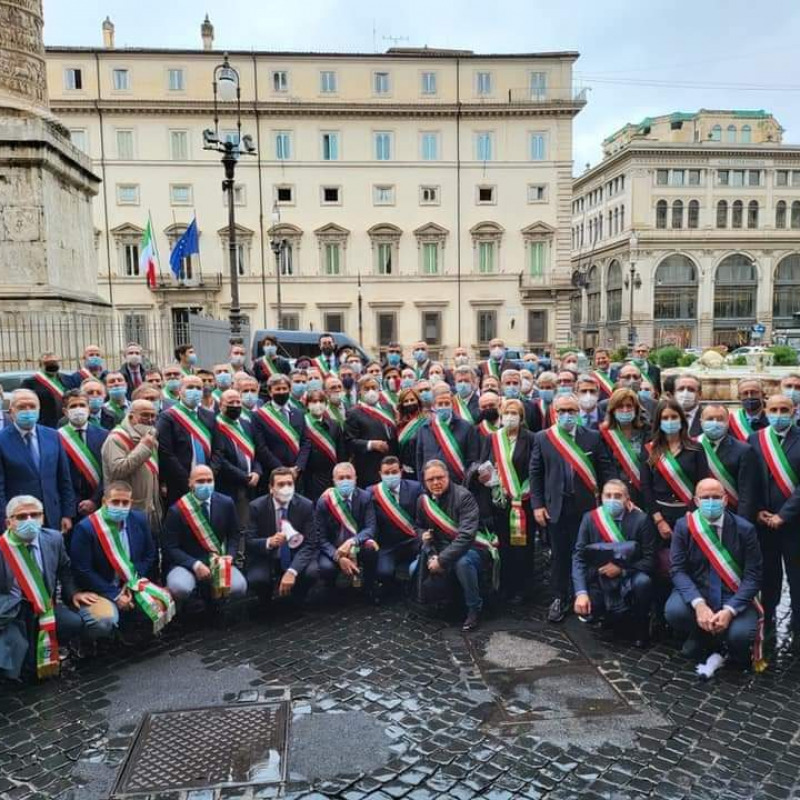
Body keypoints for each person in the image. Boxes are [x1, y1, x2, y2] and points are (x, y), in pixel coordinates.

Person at [0, 495, 115, 681]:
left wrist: (73, 593)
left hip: (46, 608)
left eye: (35, 515)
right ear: (8, 522)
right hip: (15, 614)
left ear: (43, 518)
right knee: (18, 664)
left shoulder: (53, 539)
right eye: (21, 517)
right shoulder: (2, 548)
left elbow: (65, 570)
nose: (29, 521)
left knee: (73, 622)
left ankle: (62, 647)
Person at [530, 392, 614, 623]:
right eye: (562, 411)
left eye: (572, 411)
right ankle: (559, 597)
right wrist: (537, 505)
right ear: (554, 413)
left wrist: (609, 500)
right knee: (559, 554)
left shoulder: (593, 437)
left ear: (579, 413)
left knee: (587, 552)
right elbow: (535, 473)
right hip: (556, 506)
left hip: (586, 507)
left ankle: (587, 597)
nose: (567, 415)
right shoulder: (543, 438)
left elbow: (605, 471)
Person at [667, 478, 763, 669]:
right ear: (696, 501)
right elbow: (677, 570)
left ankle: (728, 646)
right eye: (705, 497)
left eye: (716, 497)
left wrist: (730, 610)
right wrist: (699, 604)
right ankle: (700, 635)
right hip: (699, 591)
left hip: (732, 594)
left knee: (740, 635)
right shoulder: (684, 526)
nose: (711, 502)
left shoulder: (745, 529)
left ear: (725, 500)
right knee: (674, 611)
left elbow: (753, 576)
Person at [71, 481, 174, 635]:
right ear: (104, 502)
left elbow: (150, 554)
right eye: (115, 502)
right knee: (106, 621)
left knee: (161, 601)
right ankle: (93, 644)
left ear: (131, 503)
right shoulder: (86, 528)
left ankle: (134, 633)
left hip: (133, 581)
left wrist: (134, 582)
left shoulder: (139, 519)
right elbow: (83, 570)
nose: (120, 506)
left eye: (125, 502)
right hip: (102, 589)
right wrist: (115, 594)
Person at [573, 480, 656, 647]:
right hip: (599, 576)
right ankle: (608, 617)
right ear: (601, 498)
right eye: (608, 495)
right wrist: (580, 593)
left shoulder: (641, 520)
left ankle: (641, 625)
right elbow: (578, 557)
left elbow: (650, 559)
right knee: (593, 605)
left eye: (618, 496)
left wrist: (621, 570)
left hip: (629, 575)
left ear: (627, 499)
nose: (612, 500)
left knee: (643, 582)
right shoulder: (590, 519)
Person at [414, 459, 489, 632]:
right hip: (438, 548)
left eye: (439, 477)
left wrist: (441, 560)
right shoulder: (422, 500)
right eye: (430, 480)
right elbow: (417, 526)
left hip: (470, 549)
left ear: (448, 476)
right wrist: (422, 535)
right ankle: (439, 602)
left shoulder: (464, 497)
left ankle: (474, 608)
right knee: (414, 569)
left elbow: (466, 536)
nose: (435, 482)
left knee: (462, 563)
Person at [641, 398, 708, 586]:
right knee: (660, 565)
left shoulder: (695, 448)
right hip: (659, 515)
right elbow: (646, 488)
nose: (670, 421)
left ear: (681, 419)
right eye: (665, 417)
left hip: (688, 513)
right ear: (658, 422)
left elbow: (701, 483)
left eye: (673, 416)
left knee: (690, 561)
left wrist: (690, 513)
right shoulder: (649, 449)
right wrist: (659, 520)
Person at [749, 394, 800, 634]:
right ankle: (767, 615)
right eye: (774, 410)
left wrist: (784, 515)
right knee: (769, 573)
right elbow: (749, 481)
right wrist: (758, 510)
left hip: (795, 523)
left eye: (784, 410)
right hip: (764, 523)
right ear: (766, 411)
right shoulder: (755, 439)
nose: (779, 414)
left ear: (793, 411)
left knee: (797, 574)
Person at [476, 398, 535, 604]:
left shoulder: (531, 438)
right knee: (505, 545)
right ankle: (505, 585)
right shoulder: (492, 438)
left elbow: (535, 470)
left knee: (523, 547)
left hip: (523, 502)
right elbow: (483, 464)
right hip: (499, 502)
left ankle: (523, 587)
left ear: (521, 418)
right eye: (507, 413)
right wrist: (486, 475)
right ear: (501, 416)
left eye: (514, 413)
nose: (510, 417)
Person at [163, 465, 246, 608]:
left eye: (209, 480)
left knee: (239, 586)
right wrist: (194, 564)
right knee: (179, 587)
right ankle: (191, 607)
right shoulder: (177, 510)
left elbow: (234, 534)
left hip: (218, 561)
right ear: (190, 483)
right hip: (187, 564)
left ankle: (218, 604)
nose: (206, 485)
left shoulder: (226, 503)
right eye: (200, 481)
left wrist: (230, 556)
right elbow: (170, 547)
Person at [0, 389, 74, 534]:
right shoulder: (2, 441)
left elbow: (64, 478)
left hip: (52, 515)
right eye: (22, 407)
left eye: (32, 406)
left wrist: (67, 513)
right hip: (19, 518)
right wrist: (5, 519)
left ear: (39, 409)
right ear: (11, 411)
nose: (28, 411)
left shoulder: (53, 436)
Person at [245, 467, 317, 606]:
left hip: (296, 555)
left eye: (290, 484)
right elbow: (249, 541)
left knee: (312, 572)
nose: (286, 488)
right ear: (271, 488)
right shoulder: (256, 506)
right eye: (281, 484)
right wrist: (268, 542)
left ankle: (299, 596)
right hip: (267, 557)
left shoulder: (306, 505)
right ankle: (265, 600)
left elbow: (310, 543)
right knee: (256, 579)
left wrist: (292, 571)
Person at [315, 462, 378, 593]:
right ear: (334, 481)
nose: (345, 481)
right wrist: (339, 557)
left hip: (358, 544)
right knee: (326, 568)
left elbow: (370, 528)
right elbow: (321, 539)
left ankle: (369, 586)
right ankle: (331, 589)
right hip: (334, 547)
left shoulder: (365, 497)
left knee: (371, 550)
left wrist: (351, 542)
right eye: (341, 478)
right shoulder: (324, 502)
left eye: (349, 477)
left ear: (355, 479)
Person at [156, 375, 216, 508]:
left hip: (208, 483)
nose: (194, 391)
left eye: (198, 388)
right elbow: (166, 453)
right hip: (180, 484)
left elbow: (218, 449)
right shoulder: (168, 417)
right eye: (190, 387)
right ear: (179, 391)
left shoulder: (210, 416)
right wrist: (187, 480)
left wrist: (210, 474)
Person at [368, 456, 423, 598]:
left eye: (394, 472)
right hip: (388, 544)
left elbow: (423, 515)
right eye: (386, 473)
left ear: (401, 471)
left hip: (412, 540)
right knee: (384, 572)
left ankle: (418, 589)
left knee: (427, 559)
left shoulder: (415, 487)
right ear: (380, 474)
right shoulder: (371, 492)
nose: (390, 476)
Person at [102, 399, 161, 530]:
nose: (150, 420)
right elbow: (117, 470)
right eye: (145, 415)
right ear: (131, 416)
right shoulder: (116, 438)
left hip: (149, 509)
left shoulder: (148, 436)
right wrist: (144, 448)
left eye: (153, 416)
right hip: (126, 510)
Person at [696, 405, 759, 522]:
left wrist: (741, 523)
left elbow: (747, 494)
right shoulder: (692, 446)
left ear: (728, 422)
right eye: (710, 419)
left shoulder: (744, 450)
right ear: (701, 422)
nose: (715, 423)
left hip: (732, 516)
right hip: (699, 517)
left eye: (720, 419)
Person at [59, 390, 108, 524]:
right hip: (70, 508)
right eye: (73, 406)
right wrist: (73, 504)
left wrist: (95, 500)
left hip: (100, 504)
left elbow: (109, 472)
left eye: (82, 405)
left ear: (88, 408)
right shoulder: (56, 437)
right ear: (65, 411)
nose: (78, 409)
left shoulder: (104, 435)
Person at [211, 389, 261, 519]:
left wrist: (257, 472)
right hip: (228, 484)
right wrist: (244, 477)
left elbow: (256, 452)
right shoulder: (216, 425)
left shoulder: (247, 424)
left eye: (238, 402)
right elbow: (219, 458)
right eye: (230, 402)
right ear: (221, 405)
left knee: (247, 524)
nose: (235, 405)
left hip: (251, 485)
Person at [416, 385, 479, 484]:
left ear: (452, 404)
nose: (443, 406)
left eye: (446, 403)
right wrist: (423, 485)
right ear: (434, 406)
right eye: (440, 404)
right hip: (432, 485)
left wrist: (466, 483)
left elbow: (472, 460)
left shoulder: (466, 427)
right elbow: (420, 461)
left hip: (458, 485)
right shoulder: (424, 428)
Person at [252, 374, 309, 479]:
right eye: (277, 389)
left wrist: (298, 467)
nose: (281, 392)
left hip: (297, 474)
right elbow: (261, 448)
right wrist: (282, 470)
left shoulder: (299, 413)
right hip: (273, 473)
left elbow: (305, 442)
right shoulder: (259, 415)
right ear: (270, 392)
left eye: (284, 388)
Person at [345, 375, 397, 488]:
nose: (371, 391)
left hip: (391, 465)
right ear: (360, 392)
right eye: (366, 389)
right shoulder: (354, 413)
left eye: (374, 388)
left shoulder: (387, 408)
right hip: (369, 469)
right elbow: (350, 442)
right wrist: (370, 444)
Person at [599, 388, 649, 507]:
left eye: (629, 406)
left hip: (644, 492)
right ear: (612, 410)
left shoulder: (648, 431)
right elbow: (604, 468)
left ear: (636, 409)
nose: (625, 410)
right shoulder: (604, 434)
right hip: (615, 496)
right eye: (620, 406)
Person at [303, 388, 346, 502]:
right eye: (314, 401)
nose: (318, 404)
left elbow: (341, 452)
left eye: (321, 401)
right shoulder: (302, 423)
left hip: (330, 474)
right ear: (307, 405)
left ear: (326, 404)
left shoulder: (334, 424)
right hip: (310, 476)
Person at [22, 352, 76, 429]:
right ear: (41, 365)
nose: (52, 365)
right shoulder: (30, 382)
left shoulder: (67, 379)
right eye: (48, 363)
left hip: (68, 424)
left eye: (54, 362)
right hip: (45, 425)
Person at [397, 388, 426, 481]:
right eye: (406, 401)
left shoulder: (426, 421)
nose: (409, 403)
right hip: (405, 471)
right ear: (402, 404)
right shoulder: (398, 424)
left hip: (422, 467)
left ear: (418, 401)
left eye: (412, 400)